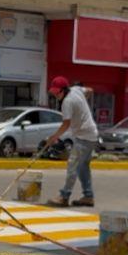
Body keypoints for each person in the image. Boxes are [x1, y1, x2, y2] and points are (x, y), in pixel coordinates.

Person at [46, 76, 98, 208]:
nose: (55, 94)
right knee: (82, 167)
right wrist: (82, 106)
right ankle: (88, 196)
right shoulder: (77, 90)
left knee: (72, 165)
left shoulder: (67, 102)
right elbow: (90, 90)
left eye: (57, 92)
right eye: (54, 91)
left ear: (64, 90)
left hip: (84, 136)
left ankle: (64, 196)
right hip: (91, 134)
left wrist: (53, 137)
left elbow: (66, 124)